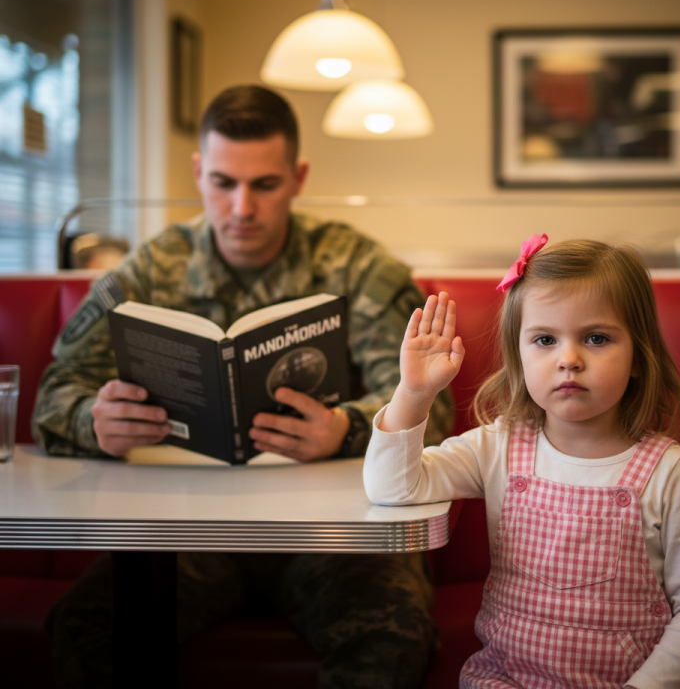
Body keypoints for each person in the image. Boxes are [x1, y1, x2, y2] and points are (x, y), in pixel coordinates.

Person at [33, 84, 454, 688]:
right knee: (87, 626)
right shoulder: (153, 268)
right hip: (187, 537)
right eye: (223, 182)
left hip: (329, 537)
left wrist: (345, 428)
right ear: (198, 172)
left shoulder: (357, 265)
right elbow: (55, 389)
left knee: (393, 634)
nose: (242, 208)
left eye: (265, 184)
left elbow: (432, 407)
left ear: (298, 178)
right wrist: (92, 420)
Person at [363, 234, 680, 689]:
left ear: (639, 355)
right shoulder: (497, 448)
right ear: (518, 356)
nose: (569, 359)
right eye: (544, 339)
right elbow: (393, 487)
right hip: (506, 680)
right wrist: (414, 393)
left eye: (596, 338)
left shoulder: (671, 470)